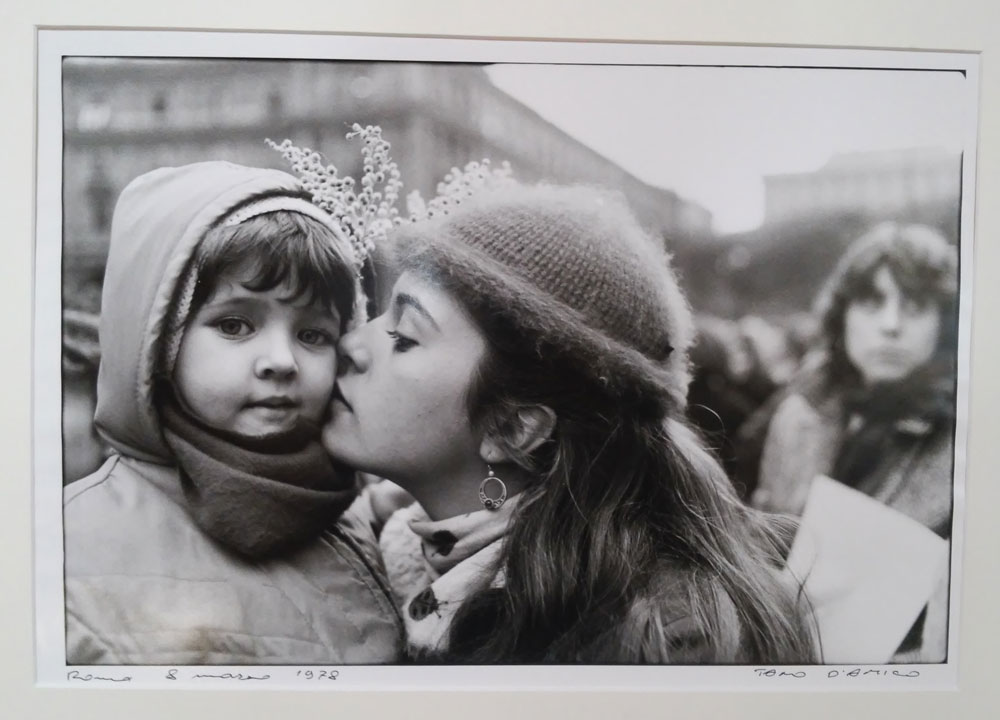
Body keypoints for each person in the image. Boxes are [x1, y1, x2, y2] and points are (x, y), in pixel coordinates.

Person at [322, 182, 818, 664]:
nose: (351, 344)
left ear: (514, 428)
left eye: (404, 336)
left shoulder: (656, 649)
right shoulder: (387, 545)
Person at [63, 160, 403, 665]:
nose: (281, 362)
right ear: (158, 341)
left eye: (312, 334)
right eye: (235, 325)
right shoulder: (68, 552)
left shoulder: (346, 509)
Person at [751, 222, 958, 663]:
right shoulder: (798, 414)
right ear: (841, 314)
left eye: (916, 306)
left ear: (946, 323)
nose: (890, 325)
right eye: (871, 302)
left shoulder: (968, 437)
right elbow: (762, 541)